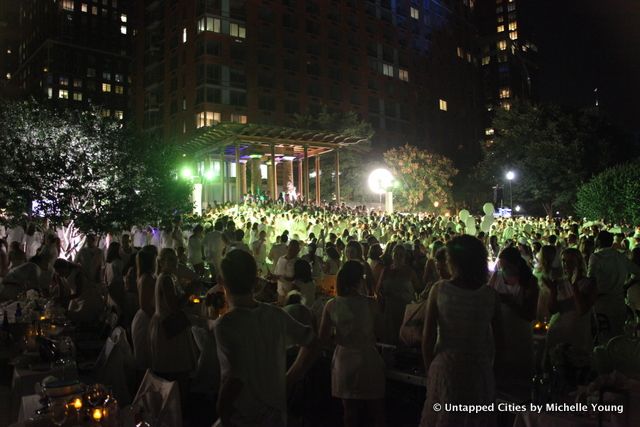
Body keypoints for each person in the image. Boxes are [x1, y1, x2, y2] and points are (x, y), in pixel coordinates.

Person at [214, 249, 315, 426]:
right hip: (275, 415)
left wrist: (222, 410)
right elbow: (311, 341)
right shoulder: (275, 314)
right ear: (255, 281)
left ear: (221, 281)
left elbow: (236, 378)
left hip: (242, 417)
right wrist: (289, 378)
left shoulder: (226, 324)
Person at [421, 235, 502, 427]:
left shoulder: (439, 290)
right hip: (479, 370)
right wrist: (492, 374)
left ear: (454, 262)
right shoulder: (490, 295)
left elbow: (428, 338)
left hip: (446, 368)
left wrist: (429, 370)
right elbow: (501, 343)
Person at [318, 261, 385, 427]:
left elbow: (322, 339)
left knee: (349, 413)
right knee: (375, 411)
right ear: (359, 280)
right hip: (369, 359)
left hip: (344, 361)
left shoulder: (332, 305)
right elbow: (383, 333)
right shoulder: (371, 303)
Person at [149, 248, 197, 405]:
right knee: (175, 369)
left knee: (175, 368)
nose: (174, 262)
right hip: (169, 327)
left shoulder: (169, 277)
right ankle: (176, 406)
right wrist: (189, 291)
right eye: (169, 259)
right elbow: (174, 306)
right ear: (161, 262)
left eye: (174, 258)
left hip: (168, 325)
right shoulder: (166, 279)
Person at [488, 246, 539, 382]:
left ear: (516, 264)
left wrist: (510, 302)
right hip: (498, 333)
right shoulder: (496, 276)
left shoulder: (529, 282)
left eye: (507, 266)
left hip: (519, 333)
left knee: (518, 378)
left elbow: (530, 315)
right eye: (502, 266)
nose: (504, 270)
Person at [588, 230, 640, 343]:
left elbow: (590, 280)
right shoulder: (620, 256)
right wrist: (626, 285)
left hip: (602, 303)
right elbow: (637, 272)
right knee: (618, 335)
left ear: (599, 241)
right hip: (619, 301)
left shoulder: (596, 257)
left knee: (603, 337)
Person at [544, 248, 597, 360]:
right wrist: (553, 291)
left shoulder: (590, 283)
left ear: (579, 263)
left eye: (571, 261)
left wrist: (574, 285)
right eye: (563, 261)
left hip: (579, 334)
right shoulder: (560, 283)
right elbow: (552, 310)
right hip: (557, 333)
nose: (566, 265)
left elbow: (581, 310)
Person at [377, 245, 421, 344]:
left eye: (401, 255)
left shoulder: (410, 272)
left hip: (405, 309)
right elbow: (378, 289)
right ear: (392, 255)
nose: (398, 257)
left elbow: (419, 289)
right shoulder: (386, 271)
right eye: (396, 254)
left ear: (405, 257)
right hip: (390, 309)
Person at [131, 248, 157, 371]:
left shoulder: (145, 276)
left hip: (146, 318)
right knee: (145, 358)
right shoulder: (146, 278)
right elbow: (144, 304)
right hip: (146, 320)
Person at [274, 240, 301, 305]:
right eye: (291, 248)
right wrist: (273, 277)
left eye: (295, 249)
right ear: (287, 248)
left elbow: (297, 279)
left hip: (292, 297)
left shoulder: (298, 262)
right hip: (280, 293)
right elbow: (276, 273)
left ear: (298, 251)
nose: (292, 251)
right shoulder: (281, 259)